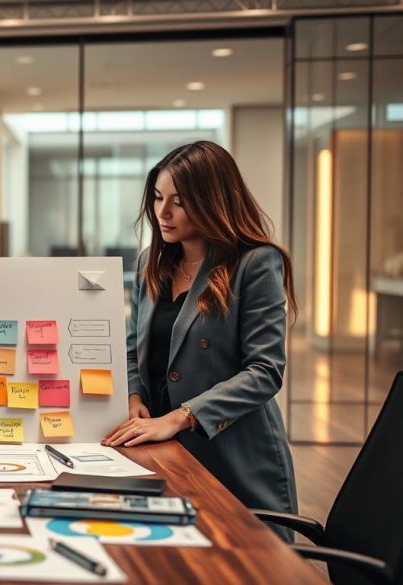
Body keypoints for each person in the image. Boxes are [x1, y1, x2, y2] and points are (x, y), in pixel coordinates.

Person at [103, 141, 297, 539]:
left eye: (179, 201)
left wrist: (181, 417)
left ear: (213, 201)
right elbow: (131, 345)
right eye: (157, 198)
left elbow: (265, 371)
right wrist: (134, 397)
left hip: (233, 453)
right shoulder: (149, 262)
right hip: (161, 447)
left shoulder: (256, 263)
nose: (163, 212)